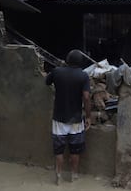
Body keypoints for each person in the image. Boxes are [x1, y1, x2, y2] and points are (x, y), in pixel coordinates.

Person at [45, 49, 91, 185]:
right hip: (76, 120)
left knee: (58, 151)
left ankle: (58, 175)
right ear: (81, 62)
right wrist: (88, 116)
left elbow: (47, 82)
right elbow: (87, 97)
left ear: (67, 60)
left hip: (59, 119)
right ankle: (74, 175)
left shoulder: (57, 71)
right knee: (75, 151)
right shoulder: (83, 76)